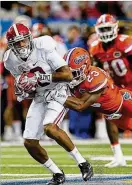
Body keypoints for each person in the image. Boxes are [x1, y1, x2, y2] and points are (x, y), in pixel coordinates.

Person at [3, 23, 93, 185]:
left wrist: (39, 78)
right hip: (39, 95)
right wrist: (24, 90)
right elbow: (26, 85)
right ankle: (57, 173)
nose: (22, 45)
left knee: (49, 127)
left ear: (30, 38)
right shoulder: (10, 59)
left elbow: (67, 75)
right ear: (11, 45)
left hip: (58, 91)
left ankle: (83, 163)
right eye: (17, 42)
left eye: (24, 40)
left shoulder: (43, 46)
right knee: (29, 142)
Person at [89, 14, 132, 167]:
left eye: (107, 28)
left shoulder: (125, 42)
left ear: (115, 28)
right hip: (114, 88)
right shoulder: (95, 48)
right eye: (102, 29)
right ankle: (118, 156)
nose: (104, 32)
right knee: (108, 115)